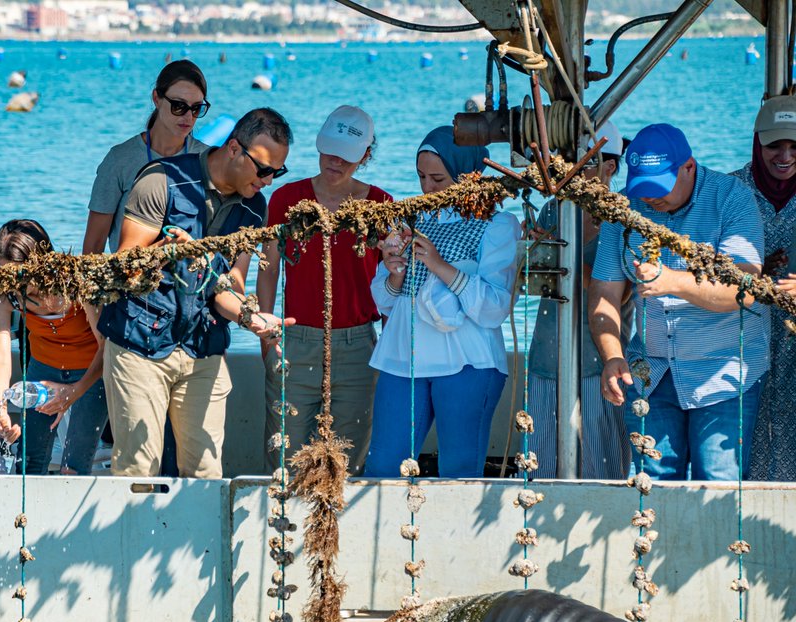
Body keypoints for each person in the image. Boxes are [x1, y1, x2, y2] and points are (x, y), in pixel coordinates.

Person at [98, 108, 295, 478]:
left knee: (206, 471)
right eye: (264, 169)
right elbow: (124, 267)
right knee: (138, 470)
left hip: (203, 346)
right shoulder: (161, 182)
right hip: (140, 343)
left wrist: (254, 320)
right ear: (234, 148)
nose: (268, 181)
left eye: (277, 172)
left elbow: (230, 286)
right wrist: (173, 251)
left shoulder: (255, 207)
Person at [589, 123, 767, 481]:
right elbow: (603, 294)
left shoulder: (732, 198)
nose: (650, 199)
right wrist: (612, 355)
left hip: (723, 373)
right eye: (642, 188)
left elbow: (745, 287)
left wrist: (672, 282)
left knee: (717, 490)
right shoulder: (626, 208)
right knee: (650, 486)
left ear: (689, 167)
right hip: (651, 374)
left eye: (659, 187)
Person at [364, 126, 520, 478]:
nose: (427, 188)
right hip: (402, 359)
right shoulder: (409, 220)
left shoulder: (499, 224)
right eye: (421, 177)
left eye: (438, 178)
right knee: (381, 470)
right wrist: (393, 274)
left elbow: (495, 307)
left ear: (469, 175)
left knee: (459, 473)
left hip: (468, 363)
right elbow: (384, 304)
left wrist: (438, 265)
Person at [259, 105, 390, 475]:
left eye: (346, 156)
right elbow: (268, 270)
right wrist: (266, 339)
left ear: (365, 156)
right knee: (284, 461)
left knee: (347, 465)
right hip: (294, 339)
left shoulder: (380, 205)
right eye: (329, 150)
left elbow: (392, 283)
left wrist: (388, 341)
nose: (335, 161)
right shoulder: (286, 199)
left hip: (358, 344)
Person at [525, 122, 633, 479]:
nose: (574, 172)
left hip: (598, 363)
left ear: (610, 166)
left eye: (587, 163)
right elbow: (537, 284)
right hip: (546, 356)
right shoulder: (553, 210)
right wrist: (534, 253)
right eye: (570, 161)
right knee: (540, 466)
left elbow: (625, 294)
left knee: (602, 469)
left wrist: (563, 257)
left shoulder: (624, 219)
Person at [0, 219, 107, 475]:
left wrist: (73, 392)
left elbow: (106, 347)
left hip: (92, 371)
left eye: (22, 273)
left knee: (74, 465)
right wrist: (0, 407)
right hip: (42, 370)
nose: (15, 283)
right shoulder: (3, 294)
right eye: (5, 273)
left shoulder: (78, 284)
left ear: (43, 261)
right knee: (27, 463)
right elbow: (0, 355)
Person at [83, 60, 211, 256]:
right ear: (156, 99)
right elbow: (93, 247)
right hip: (129, 280)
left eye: (196, 108)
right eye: (178, 106)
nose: (188, 116)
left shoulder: (207, 160)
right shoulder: (120, 160)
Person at [731, 97, 796, 480]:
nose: (785, 155)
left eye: (795, 145)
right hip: (738, 344)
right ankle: (739, 536)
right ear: (757, 143)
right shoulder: (728, 191)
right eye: (775, 145)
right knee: (739, 450)